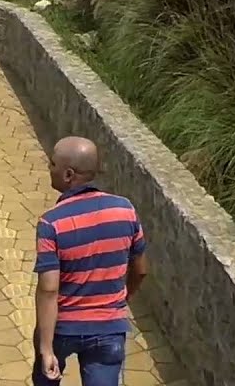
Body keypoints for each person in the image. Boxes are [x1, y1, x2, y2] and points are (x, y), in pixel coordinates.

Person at [33, 136, 150, 385]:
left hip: (62, 329)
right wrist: (121, 300)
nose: (49, 169)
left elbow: (49, 289)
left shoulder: (51, 223)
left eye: (52, 164)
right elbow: (140, 270)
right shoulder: (125, 210)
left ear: (68, 175)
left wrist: (45, 349)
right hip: (109, 329)